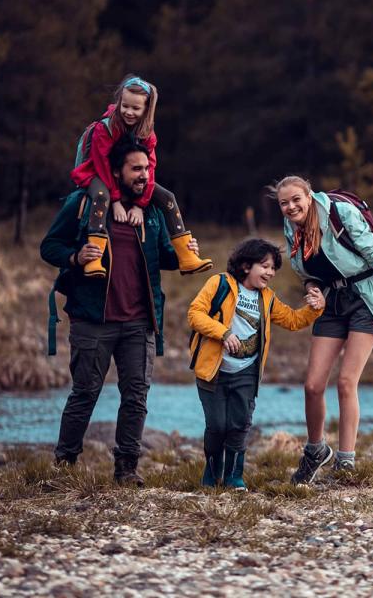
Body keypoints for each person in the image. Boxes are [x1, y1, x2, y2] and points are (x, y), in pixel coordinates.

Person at [40, 138, 201, 486]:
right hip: (92, 319)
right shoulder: (83, 204)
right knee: (85, 394)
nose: (144, 175)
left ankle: (127, 470)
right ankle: (63, 467)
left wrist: (186, 250)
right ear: (116, 171)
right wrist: (74, 257)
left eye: (147, 169)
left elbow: (164, 258)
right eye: (136, 169)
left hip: (140, 321)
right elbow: (49, 246)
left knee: (136, 397)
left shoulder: (153, 211)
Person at [273, 176, 373, 484]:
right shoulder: (292, 228)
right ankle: (315, 450)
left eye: (296, 200)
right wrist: (313, 290)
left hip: (368, 299)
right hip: (333, 302)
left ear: (309, 196)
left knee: (345, 382)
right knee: (313, 386)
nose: (291, 207)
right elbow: (306, 272)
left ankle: (346, 462)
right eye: (284, 203)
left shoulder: (341, 214)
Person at [187, 238, 325, 490]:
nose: (270, 273)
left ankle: (234, 476)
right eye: (265, 266)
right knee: (217, 426)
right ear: (246, 265)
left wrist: (314, 308)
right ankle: (213, 469)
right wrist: (223, 333)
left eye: (273, 268)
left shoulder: (268, 298)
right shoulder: (219, 284)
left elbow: (294, 320)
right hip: (212, 371)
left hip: (247, 373)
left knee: (240, 425)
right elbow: (195, 313)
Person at [71, 73, 212, 276]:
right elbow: (102, 165)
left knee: (168, 197)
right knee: (101, 197)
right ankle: (94, 259)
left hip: (128, 177)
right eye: (125, 106)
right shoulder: (106, 128)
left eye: (136, 108)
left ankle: (187, 256)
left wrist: (139, 205)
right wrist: (117, 201)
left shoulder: (147, 133)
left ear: (146, 109)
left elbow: (150, 168)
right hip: (98, 174)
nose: (129, 112)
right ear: (119, 102)